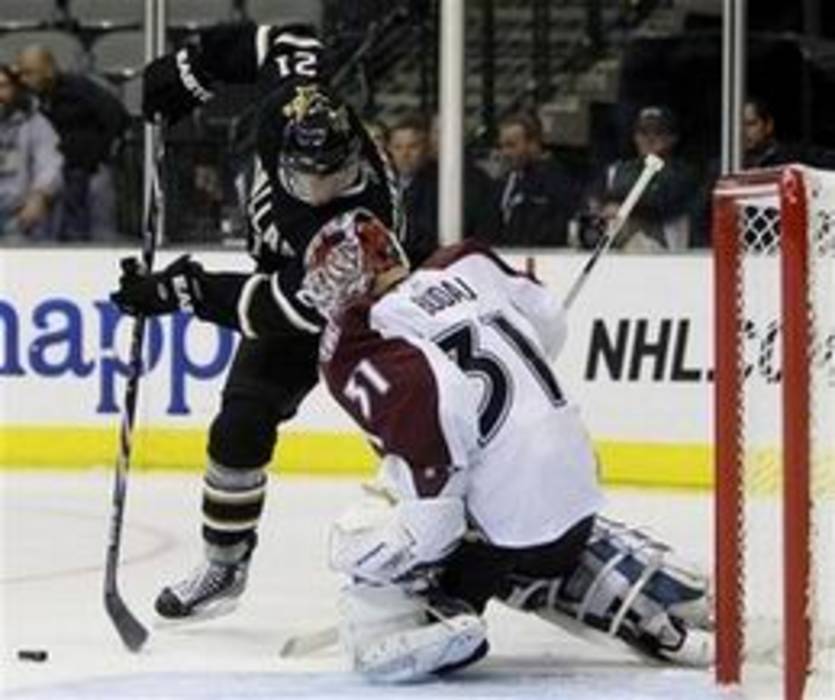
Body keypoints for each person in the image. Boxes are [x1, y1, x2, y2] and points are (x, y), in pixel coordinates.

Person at [298, 208, 714, 681]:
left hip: (507, 528)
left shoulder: (363, 335)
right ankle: (632, 587)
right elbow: (550, 323)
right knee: (519, 505)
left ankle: (427, 615)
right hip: (577, 479)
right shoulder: (463, 264)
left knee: (378, 518)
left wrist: (426, 529)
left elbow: (442, 416)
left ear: (353, 276)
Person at [110, 23, 404, 621]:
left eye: (334, 175)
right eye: (308, 174)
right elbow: (289, 41)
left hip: (377, 309)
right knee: (239, 425)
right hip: (291, 283)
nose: (320, 189)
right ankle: (224, 566)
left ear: (354, 157)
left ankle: (448, 556)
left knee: (413, 434)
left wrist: (180, 289)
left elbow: (276, 308)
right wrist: (194, 71)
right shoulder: (289, 107)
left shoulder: (358, 233)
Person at [15, 45, 129, 241]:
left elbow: (116, 115)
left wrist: (100, 151)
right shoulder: (33, 99)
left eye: (29, 73)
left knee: (100, 234)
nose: (24, 80)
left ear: (48, 69)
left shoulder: (78, 88)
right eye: (21, 74)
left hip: (91, 171)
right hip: (62, 175)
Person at [581, 105, 698, 252]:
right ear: (635, 137)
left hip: (665, 251)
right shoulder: (616, 170)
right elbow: (591, 200)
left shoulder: (682, 173)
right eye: (643, 132)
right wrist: (602, 207)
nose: (650, 138)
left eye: (658, 132)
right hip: (613, 250)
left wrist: (617, 203)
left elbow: (659, 201)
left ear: (672, 138)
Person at [388, 112, 499, 265]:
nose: (405, 154)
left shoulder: (441, 184)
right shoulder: (383, 185)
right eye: (398, 147)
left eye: (412, 146)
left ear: (426, 148)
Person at [0, 64, 63, 241]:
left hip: (20, 216)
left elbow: (50, 163)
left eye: (3, 86)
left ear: (15, 89)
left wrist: (39, 195)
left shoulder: (35, 123)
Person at [496, 111, 577, 247]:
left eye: (511, 145)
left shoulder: (556, 182)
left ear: (533, 144)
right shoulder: (502, 183)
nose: (504, 153)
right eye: (501, 146)